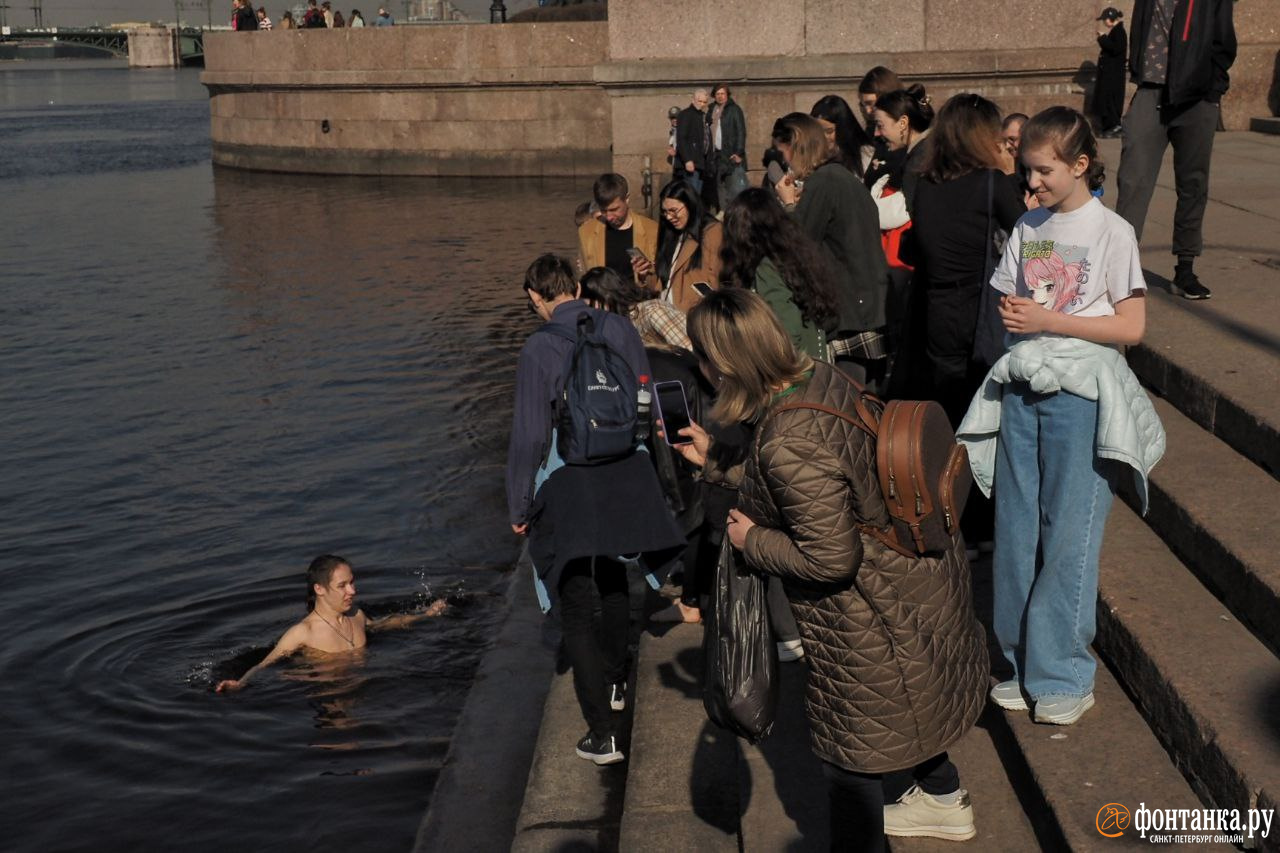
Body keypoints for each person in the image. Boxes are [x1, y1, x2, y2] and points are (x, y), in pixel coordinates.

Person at [670, 289, 987, 849]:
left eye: (700, 356)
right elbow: (814, 481)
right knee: (900, 702)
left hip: (870, 612)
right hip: (911, 580)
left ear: (721, 364)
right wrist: (719, 463)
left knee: (850, 763)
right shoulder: (816, 377)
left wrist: (753, 540)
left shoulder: (786, 438)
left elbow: (830, 556)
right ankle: (942, 797)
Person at [959, 106, 1163, 727]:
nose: (1033, 182)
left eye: (1044, 170)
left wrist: (1049, 321)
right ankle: (1023, 666)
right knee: (1018, 530)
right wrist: (1026, 330)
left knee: (1070, 531)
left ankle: (1064, 671)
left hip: (1082, 395)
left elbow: (1131, 327)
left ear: (1080, 165)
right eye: (1027, 169)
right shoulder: (1028, 225)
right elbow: (1009, 304)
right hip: (1026, 386)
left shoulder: (1112, 232)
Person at [508, 255, 684, 765]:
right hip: (626, 470)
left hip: (569, 481)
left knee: (577, 605)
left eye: (532, 302)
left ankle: (602, 735)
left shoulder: (540, 346)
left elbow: (529, 436)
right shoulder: (620, 327)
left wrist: (519, 504)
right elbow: (646, 400)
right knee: (612, 579)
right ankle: (614, 682)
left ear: (538, 297)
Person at [577, 267, 708, 624]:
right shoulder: (614, 327)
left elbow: (690, 348)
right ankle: (685, 577)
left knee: (685, 489)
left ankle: (691, 599)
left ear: (602, 298)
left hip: (675, 397)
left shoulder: (647, 313)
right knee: (680, 490)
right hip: (662, 400)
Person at [1114, 0, 1236, 300]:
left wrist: (1212, 90)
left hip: (1197, 98)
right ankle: (1120, 269)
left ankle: (1185, 268)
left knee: (1192, 183)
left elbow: (1224, 42)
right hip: (1151, 91)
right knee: (1132, 181)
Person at [772, 113, 890, 390]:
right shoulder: (841, 177)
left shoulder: (824, 181)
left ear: (796, 146)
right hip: (868, 305)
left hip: (849, 310)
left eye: (782, 152)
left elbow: (797, 245)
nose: (784, 161)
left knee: (850, 403)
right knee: (867, 402)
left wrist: (788, 205)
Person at [215, 555, 447, 692]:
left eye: (352, 583)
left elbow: (381, 625)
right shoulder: (303, 632)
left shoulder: (356, 614)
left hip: (366, 684)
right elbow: (265, 664)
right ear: (319, 589)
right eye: (342, 586)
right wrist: (240, 684)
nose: (353, 591)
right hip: (330, 691)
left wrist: (425, 616)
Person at [720, 187, 839, 361]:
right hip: (815, 362)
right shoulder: (793, 254)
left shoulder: (766, 268)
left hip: (794, 371)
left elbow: (786, 332)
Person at [639, 179, 722, 311]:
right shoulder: (671, 234)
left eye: (674, 211)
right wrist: (646, 274)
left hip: (693, 314)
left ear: (690, 205)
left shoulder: (712, 231)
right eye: (665, 212)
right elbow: (660, 284)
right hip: (666, 308)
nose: (669, 217)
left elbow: (715, 278)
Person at [577, 173, 659, 288]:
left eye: (614, 209)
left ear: (627, 199)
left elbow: (659, 283)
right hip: (602, 301)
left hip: (638, 300)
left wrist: (643, 276)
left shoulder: (652, 230)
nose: (609, 217)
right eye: (604, 210)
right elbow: (584, 279)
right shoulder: (586, 232)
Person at [859, 66, 905, 183]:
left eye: (871, 104)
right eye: (863, 105)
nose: (868, 111)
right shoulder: (870, 131)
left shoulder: (905, 129)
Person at [810, 94, 870, 178]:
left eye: (829, 131)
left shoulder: (864, 155)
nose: (823, 137)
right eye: (818, 131)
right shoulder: (812, 156)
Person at [710, 84, 748, 208]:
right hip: (717, 154)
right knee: (720, 187)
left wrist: (738, 152)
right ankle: (723, 212)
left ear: (727, 95)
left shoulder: (734, 109)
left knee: (735, 188)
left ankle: (737, 214)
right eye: (717, 94)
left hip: (731, 154)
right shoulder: (711, 109)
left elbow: (741, 132)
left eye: (723, 94)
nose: (720, 97)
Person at [1093, 9, 1127, 137]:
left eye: (1104, 19)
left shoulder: (1119, 31)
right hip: (1110, 74)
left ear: (1110, 19)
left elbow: (1115, 49)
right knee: (1107, 100)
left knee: (1111, 100)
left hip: (1113, 75)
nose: (1104, 22)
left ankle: (1114, 126)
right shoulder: (1117, 31)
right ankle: (1109, 126)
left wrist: (1103, 38)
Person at [675, 89, 711, 197]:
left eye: (705, 102)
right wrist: (687, 160)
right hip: (691, 162)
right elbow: (682, 138)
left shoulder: (702, 116)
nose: (702, 104)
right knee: (692, 194)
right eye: (700, 101)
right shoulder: (686, 114)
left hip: (700, 162)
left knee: (696, 195)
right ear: (693, 100)